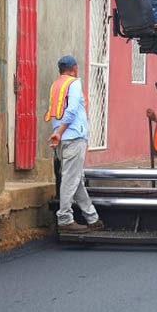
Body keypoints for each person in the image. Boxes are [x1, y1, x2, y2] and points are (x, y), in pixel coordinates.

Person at [45, 55, 103, 234]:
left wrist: (58, 133)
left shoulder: (56, 85)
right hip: (73, 137)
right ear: (74, 68)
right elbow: (70, 112)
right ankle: (65, 218)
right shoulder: (74, 84)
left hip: (62, 140)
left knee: (74, 179)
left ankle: (92, 218)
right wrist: (59, 132)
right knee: (70, 179)